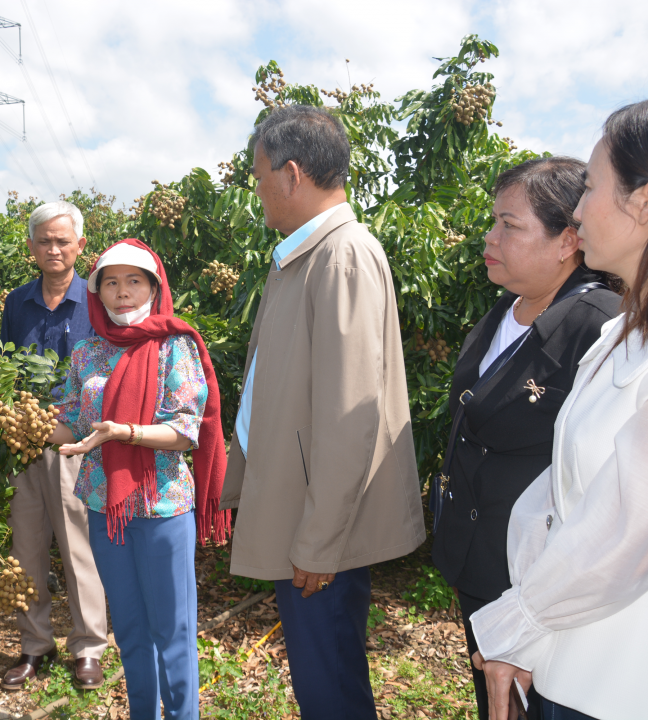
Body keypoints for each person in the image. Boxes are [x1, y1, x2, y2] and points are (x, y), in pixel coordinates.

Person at [471, 95, 648, 720]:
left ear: (647, 201)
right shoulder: (625, 336)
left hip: (641, 680)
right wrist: (532, 616)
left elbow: (624, 530)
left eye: (592, 188)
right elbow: (555, 499)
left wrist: (520, 619)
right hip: (574, 660)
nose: (577, 210)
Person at [220, 104, 427, 719]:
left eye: (259, 177)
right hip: (299, 509)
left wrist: (318, 541)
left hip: (316, 529)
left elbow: (351, 413)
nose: (258, 191)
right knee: (321, 679)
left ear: (290, 174)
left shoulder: (341, 256)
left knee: (330, 685)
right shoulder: (304, 255)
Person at [429, 157, 621, 720]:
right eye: (493, 222)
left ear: (567, 241)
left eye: (509, 226)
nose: (490, 238)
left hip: (541, 582)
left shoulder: (602, 325)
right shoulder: (501, 311)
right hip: (479, 561)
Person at [47, 238, 230, 720]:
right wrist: (20, 420)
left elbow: (186, 429)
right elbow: (71, 420)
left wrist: (124, 432)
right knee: (128, 629)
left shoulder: (175, 346)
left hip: (163, 508)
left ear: (153, 286)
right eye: (111, 282)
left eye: (134, 281)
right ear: (98, 293)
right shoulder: (86, 352)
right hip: (105, 506)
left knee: (173, 632)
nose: (122, 292)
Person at [0, 201, 109, 691]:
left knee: (79, 548)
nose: (54, 249)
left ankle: (88, 647)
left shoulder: (97, 301)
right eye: (44, 240)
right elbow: (2, 365)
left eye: (63, 240)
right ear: (31, 248)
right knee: (26, 549)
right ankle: (33, 645)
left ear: (80, 246)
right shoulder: (15, 302)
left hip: (77, 446)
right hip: (22, 443)